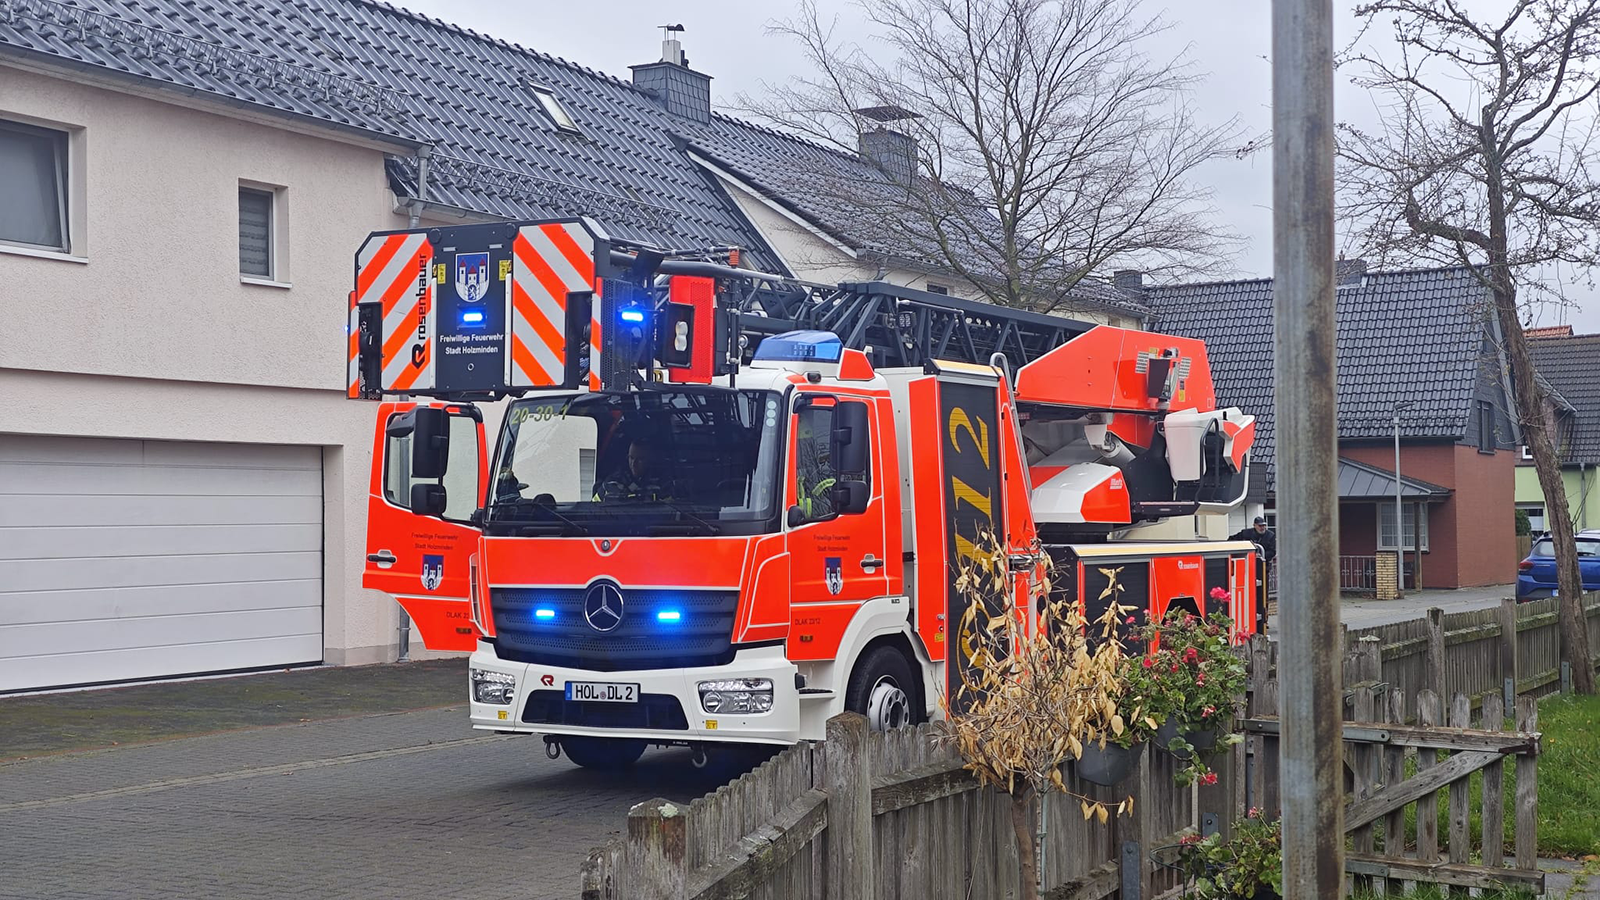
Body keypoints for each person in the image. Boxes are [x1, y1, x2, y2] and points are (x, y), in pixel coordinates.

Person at [595, 438, 669, 501]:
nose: (633, 464)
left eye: (640, 459)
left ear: (650, 460)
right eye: (631, 458)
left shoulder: (662, 482)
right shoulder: (612, 482)